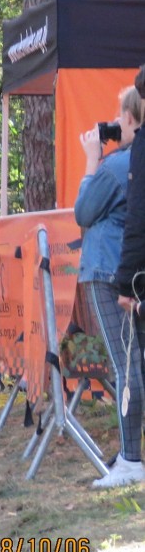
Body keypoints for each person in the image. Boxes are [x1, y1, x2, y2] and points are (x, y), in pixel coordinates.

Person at [108, 73, 145, 487]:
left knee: (129, 364)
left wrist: (125, 283)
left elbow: (85, 209)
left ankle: (131, 458)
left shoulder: (127, 158)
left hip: (127, 272)